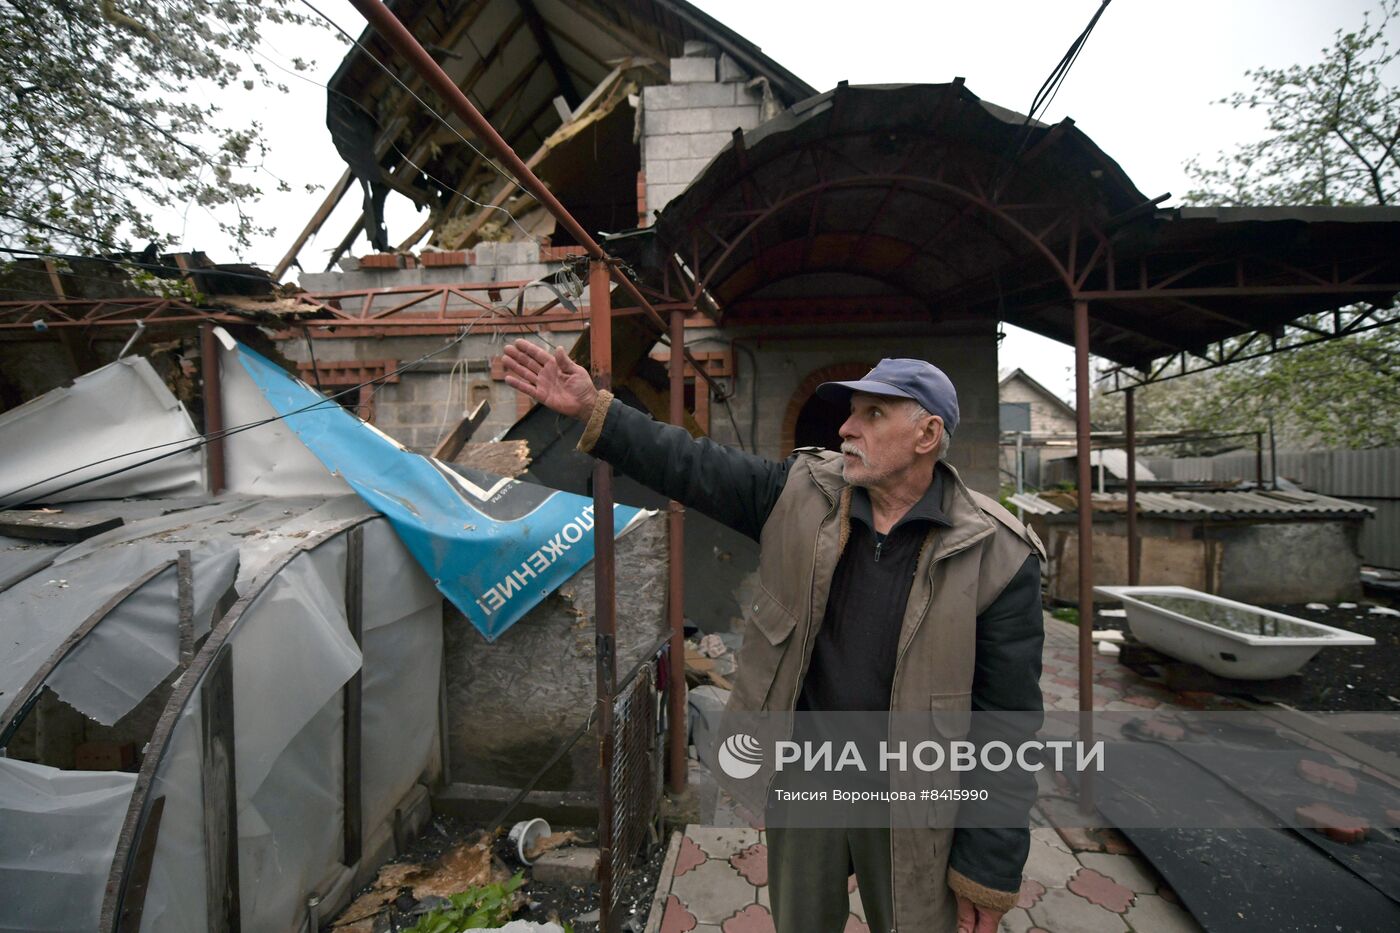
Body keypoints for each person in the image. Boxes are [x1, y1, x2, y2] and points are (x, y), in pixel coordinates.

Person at [502, 341, 1045, 933]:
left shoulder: (1000, 556)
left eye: (872, 415)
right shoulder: (803, 494)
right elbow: (691, 463)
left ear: (927, 435)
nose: (845, 428)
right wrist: (592, 410)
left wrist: (988, 875)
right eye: (851, 412)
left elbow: (1007, 725)